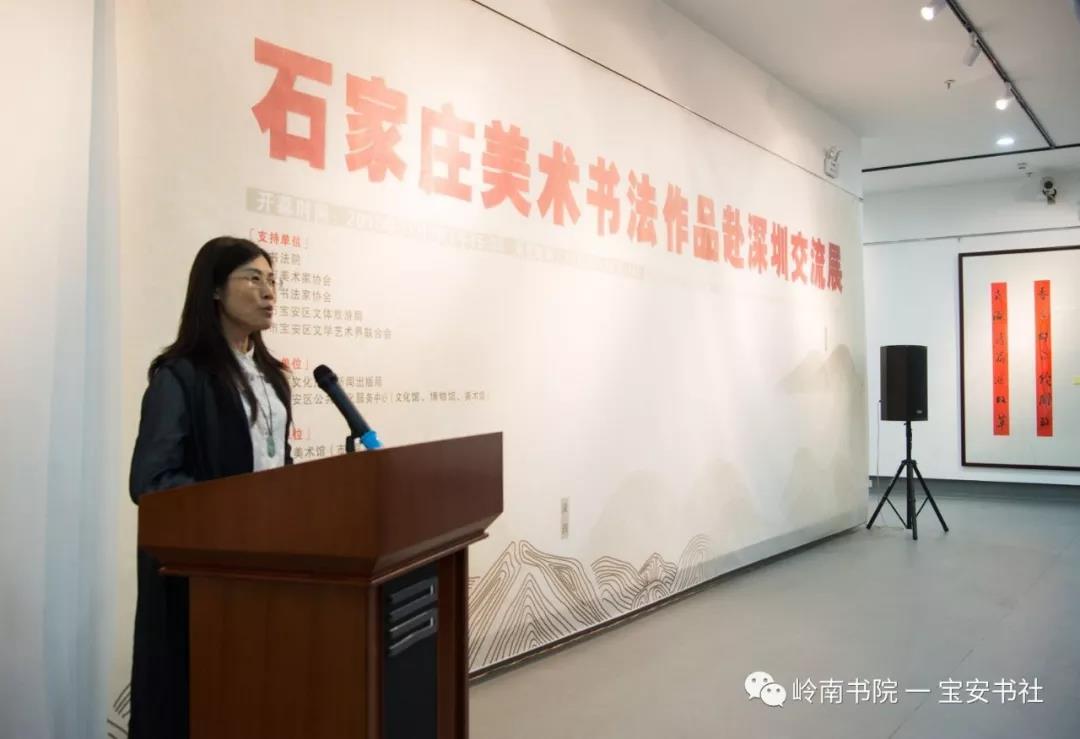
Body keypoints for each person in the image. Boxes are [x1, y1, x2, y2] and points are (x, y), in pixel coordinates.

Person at [127, 236, 293, 739]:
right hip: (202, 571)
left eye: (272, 280)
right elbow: (152, 482)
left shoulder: (272, 377)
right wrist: (239, 509)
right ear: (215, 290)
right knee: (196, 702)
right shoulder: (180, 375)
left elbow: (276, 462)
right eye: (253, 278)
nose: (268, 292)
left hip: (266, 564)